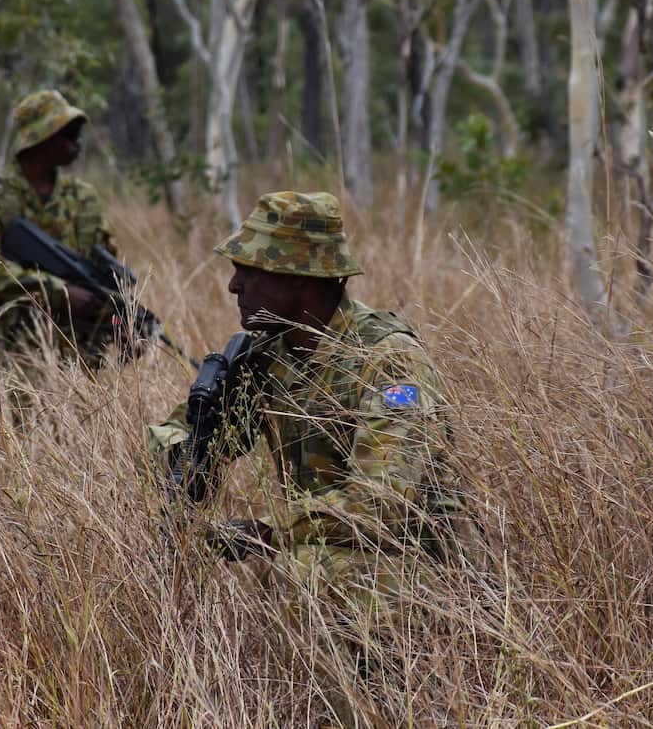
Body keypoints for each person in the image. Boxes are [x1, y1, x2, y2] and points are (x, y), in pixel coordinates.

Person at [147, 191, 486, 723]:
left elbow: (381, 506)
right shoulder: (269, 356)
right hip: (333, 560)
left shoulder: (388, 362)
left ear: (300, 278)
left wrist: (267, 532)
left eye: (250, 270)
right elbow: (176, 432)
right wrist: (183, 454)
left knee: (310, 569)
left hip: (421, 569)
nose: (235, 284)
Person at [0, 89, 118, 372]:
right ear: (40, 138)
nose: (77, 142)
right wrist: (58, 292)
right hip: (11, 345)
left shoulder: (84, 198)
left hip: (77, 352)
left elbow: (103, 270)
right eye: (68, 133)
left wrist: (118, 318)